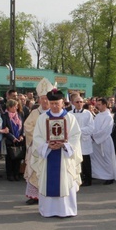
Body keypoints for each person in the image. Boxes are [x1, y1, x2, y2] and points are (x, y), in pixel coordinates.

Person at [30, 88, 82, 218]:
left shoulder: (70, 118)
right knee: (48, 180)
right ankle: (48, 210)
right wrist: (47, 145)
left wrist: (64, 145)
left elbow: (76, 136)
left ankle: (67, 210)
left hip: (64, 157)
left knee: (65, 180)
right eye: (51, 103)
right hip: (48, 156)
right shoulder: (43, 118)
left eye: (56, 103)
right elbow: (37, 137)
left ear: (62, 103)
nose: (54, 106)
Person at [24, 80, 53, 205]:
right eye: (42, 98)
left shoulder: (55, 112)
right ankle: (34, 196)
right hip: (37, 148)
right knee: (35, 170)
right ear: (39, 99)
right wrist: (39, 137)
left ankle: (49, 194)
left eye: (47, 98)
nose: (45, 101)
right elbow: (27, 127)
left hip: (52, 147)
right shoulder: (35, 113)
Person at [90, 98, 116, 185]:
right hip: (96, 141)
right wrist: (92, 135)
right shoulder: (98, 115)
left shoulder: (108, 116)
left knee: (107, 159)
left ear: (105, 105)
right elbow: (93, 127)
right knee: (97, 159)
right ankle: (100, 175)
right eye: (97, 104)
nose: (97, 106)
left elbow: (105, 130)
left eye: (99, 104)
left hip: (105, 141)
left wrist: (95, 137)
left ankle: (110, 176)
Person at [70, 93, 94, 186]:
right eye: (77, 102)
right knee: (75, 160)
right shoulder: (70, 114)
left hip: (84, 140)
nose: (79, 103)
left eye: (81, 102)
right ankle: (76, 179)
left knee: (86, 161)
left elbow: (91, 127)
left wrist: (79, 130)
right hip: (74, 141)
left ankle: (88, 179)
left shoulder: (87, 113)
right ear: (73, 103)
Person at [1, 99, 24, 182]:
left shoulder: (20, 115)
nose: (16, 107)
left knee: (18, 158)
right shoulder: (5, 116)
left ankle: (16, 174)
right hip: (10, 140)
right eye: (15, 106)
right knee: (10, 158)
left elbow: (22, 126)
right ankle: (10, 174)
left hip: (19, 139)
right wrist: (12, 137)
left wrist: (21, 135)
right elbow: (4, 128)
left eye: (17, 106)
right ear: (10, 107)